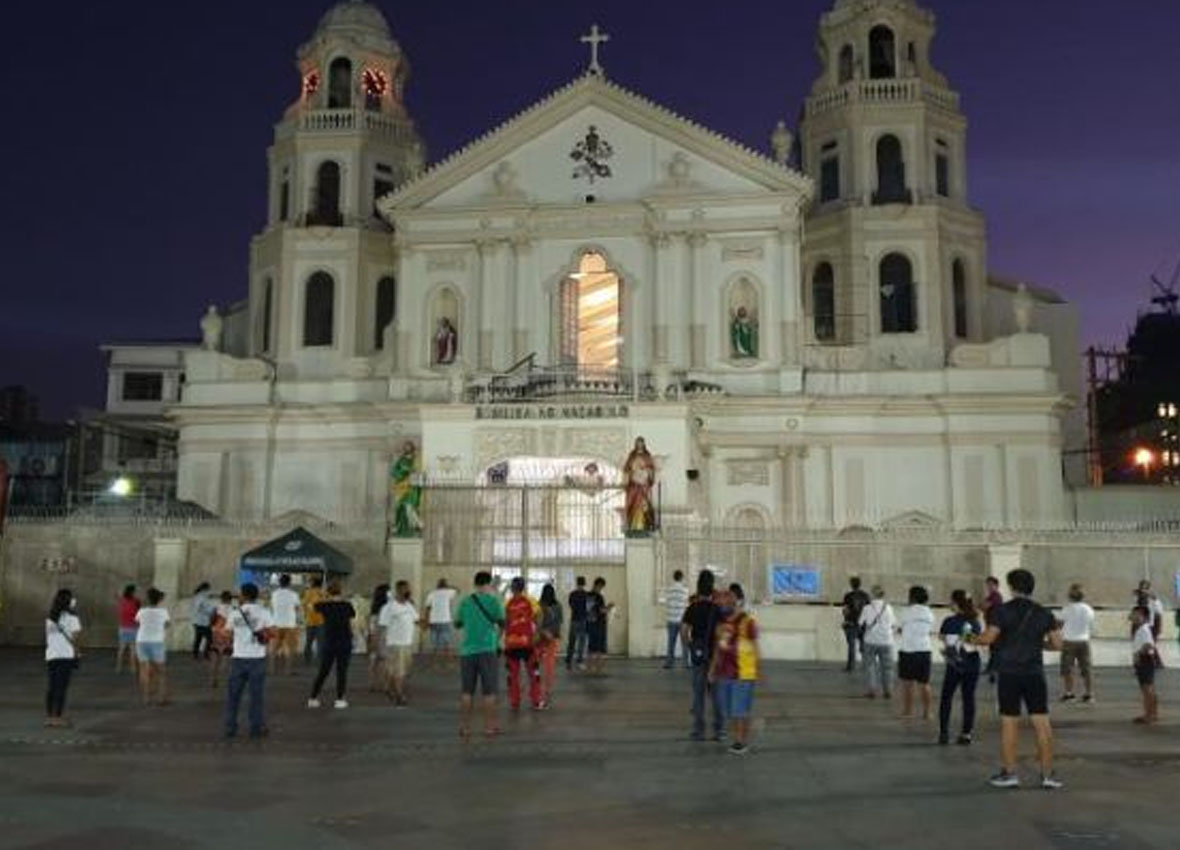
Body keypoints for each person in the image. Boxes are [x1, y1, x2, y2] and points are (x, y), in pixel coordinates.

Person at [969, 568, 1064, 790]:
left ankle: (1010, 773)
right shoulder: (1044, 613)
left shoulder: (1002, 611)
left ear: (1012, 587)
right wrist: (1039, 644)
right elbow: (1058, 644)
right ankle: (1048, 774)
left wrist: (970, 638)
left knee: (1009, 724)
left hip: (1010, 673)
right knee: (1042, 724)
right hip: (1034, 673)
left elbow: (988, 638)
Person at [454, 571, 506, 739]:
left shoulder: (466, 602)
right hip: (487, 651)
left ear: (475, 584)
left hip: (467, 651)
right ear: (489, 584)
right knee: (489, 692)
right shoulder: (493, 601)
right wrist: (496, 639)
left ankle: (464, 727)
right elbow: (502, 623)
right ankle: (489, 727)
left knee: (466, 692)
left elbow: (457, 623)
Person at [710, 585, 760, 754]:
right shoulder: (722, 624)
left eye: (728, 598)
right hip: (725, 672)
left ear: (736, 601)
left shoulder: (748, 621)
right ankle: (738, 737)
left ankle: (741, 741)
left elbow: (755, 647)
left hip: (743, 673)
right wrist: (713, 669)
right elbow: (718, 647)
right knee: (730, 709)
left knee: (739, 709)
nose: (723, 603)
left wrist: (757, 669)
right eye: (722, 600)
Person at [224, 583, 274, 739]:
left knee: (233, 696)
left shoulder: (234, 614)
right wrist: (260, 633)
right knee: (256, 696)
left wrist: (237, 638)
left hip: (238, 658)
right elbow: (273, 632)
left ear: (244, 596)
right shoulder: (264, 612)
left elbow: (227, 633)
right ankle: (255, 728)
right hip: (257, 658)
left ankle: (230, 728)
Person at [681, 569, 725, 741]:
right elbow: (722, 637)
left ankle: (699, 731)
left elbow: (684, 631)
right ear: (711, 587)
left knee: (698, 696)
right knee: (717, 696)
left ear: (698, 587)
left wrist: (690, 646)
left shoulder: (692, 608)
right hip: (715, 658)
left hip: (698, 658)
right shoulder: (717, 610)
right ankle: (719, 731)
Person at [938, 589, 982, 745]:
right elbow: (975, 641)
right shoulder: (975, 621)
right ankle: (966, 733)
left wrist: (950, 645)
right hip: (972, 662)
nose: (950, 604)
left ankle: (944, 733)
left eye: (951, 601)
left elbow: (942, 638)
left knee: (946, 697)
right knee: (968, 698)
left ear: (956, 604)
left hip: (954, 664)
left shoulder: (949, 621)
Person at [307, 581, 356, 709]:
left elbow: (311, 606)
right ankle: (340, 699)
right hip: (345, 640)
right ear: (341, 591)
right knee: (342, 671)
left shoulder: (323, 605)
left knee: (323, 670)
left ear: (328, 592)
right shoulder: (347, 605)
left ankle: (313, 697)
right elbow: (352, 620)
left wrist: (323, 596)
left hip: (329, 640)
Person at [504, 577, 543, 711]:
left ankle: (515, 702)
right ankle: (536, 701)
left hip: (511, 645)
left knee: (513, 675)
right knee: (534, 674)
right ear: (523, 587)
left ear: (512, 588)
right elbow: (539, 616)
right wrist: (537, 633)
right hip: (528, 644)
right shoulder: (530, 601)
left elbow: (505, 623)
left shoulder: (507, 603)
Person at [45, 588, 81, 728]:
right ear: (69, 601)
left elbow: (49, 637)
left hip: (51, 655)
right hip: (65, 655)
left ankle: (49, 716)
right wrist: (78, 652)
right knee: (62, 687)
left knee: (52, 687)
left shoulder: (50, 618)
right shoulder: (73, 618)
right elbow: (76, 638)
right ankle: (57, 717)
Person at [897, 585, 935, 720]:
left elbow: (899, 629)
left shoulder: (906, 612)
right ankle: (927, 712)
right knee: (925, 683)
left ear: (911, 597)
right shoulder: (929, 613)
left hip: (908, 650)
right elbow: (929, 629)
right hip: (924, 650)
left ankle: (908, 712)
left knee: (908, 683)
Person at [379, 580, 418, 707]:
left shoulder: (409, 606)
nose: (408, 592)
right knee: (399, 671)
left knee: (402, 670)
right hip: (395, 644)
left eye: (408, 589)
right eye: (405, 589)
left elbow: (416, 620)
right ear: (399, 591)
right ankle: (400, 695)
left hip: (407, 643)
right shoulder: (389, 607)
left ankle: (390, 688)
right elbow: (383, 626)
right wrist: (379, 645)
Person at [1059, 583, 1095, 704]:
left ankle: (1069, 693)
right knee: (1086, 669)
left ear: (1070, 595)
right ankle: (1089, 694)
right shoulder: (1088, 609)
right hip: (1084, 640)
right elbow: (1090, 623)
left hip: (1069, 640)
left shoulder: (1067, 608)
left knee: (1067, 669)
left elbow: (1060, 623)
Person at [135, 588, 170, 706]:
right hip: (157, 641)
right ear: (159, 600)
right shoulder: (163, 612)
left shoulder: (141, 611)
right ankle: (161, 698)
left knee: (144, 670)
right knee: (161, 671)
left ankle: (146, 698)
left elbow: (138, 623)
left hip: (142, 640)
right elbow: (167, 625)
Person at [859, 585, 895, 699]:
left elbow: (860, 623)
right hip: (886, 641)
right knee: (887, 667)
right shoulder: (889, 608)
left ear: (873, 595)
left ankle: (872, 690)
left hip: (870, 640)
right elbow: (894, 624)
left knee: (870, 666)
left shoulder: (867, 608)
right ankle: (888, 690)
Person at [1131, 605, 1161, 724]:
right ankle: (1152, 713)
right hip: (1145, 660)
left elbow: (1149, 645)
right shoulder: (1142, 629)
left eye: (1135, 614)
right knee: (1148, 688)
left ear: (1143, 616)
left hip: (1145, 660)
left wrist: (1138, 654)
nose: (1133, 616)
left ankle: (1149, 715)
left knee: (1147, 689)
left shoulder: (1144, 629)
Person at [622, 437, 657, 534]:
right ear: (636, 444)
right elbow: (627, 469)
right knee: (633, 504)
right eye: (638, 443)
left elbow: (651, 469)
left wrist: (646, 472)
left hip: (644, 485)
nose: (640, 445)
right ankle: (632, 526)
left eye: (641, 443)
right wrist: (632, 474)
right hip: (633, 485)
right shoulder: (632, 455)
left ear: (644, 444)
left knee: (644, 504)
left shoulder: (647, 455)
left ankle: (645, 525)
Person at [268, 574, 301, 676]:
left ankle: (271, 670)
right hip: (290, 624)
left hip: (276, 623)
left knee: (273, 648)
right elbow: (297, 608)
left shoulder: (274, 594)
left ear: (279, 582)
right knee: (290, 649)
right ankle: (287, 671)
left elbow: (271, 607)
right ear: (289, 583)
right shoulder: (294, 594)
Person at [537, 583, 563, 707]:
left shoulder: (540, 605)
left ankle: (538, 687)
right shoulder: (558, 606)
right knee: (550, 664)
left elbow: (536, 623)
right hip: (554, 638)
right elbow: (559, 622)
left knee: (538, 663)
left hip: (541, 638)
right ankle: (548, 688)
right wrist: (554, 634)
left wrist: (543, 631)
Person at [424, 578, 458, 667]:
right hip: (445, 620)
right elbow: (458, 590)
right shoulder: (449, 592)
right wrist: (449, 586)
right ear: (445, 585)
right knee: (447, 643)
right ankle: (449, 663)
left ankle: (434, 662)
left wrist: (426, 621)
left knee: (435, 644)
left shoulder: (431, 594)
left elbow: (427, 608)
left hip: (434, 620)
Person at [840, 577, 870, 672]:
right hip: (863, 624)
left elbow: (845, 610)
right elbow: (868, 609)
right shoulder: (866, 595)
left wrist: (845, 620)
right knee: (863, 646)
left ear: (851, 584)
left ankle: (851, 667)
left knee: (851, 647)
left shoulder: (848, 596)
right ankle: (866, 666)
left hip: (851, 624)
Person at [663, 569, 691, 669]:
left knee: (671, 642)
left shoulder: (669, 589)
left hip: (671, 619)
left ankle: (669, 663)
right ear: (681, 578)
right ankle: (686, 663)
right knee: (685, 643)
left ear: (673, 578)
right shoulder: (685, 590)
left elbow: (667, 602)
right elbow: (687, 604)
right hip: (682, 620)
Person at [586, 577, 613, 676]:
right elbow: (602, 611)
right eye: (602, 587)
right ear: (599, 585)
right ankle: (597, 671)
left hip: (590, 624)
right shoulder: (599, 596)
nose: (602, 589)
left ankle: (589, 669)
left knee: (591, 648)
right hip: (599, 625)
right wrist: (609, 606)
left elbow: (589, 610)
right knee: (600, 649)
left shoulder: (588, 595)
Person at [209, 590, 234, 689]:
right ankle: (226, 679)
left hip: (216, 634)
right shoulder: (233, 609)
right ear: (230, 599)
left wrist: (214, 628)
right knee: (226, 657)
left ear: (221, 598)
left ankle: (213, 679)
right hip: (227, 634)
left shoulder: (216, 608)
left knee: (215, 657)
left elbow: (211, 620)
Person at [367, 583, 390, 691]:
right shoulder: (387, 609)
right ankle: (384, 683)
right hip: (385, 636)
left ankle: (373, 683)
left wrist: (371, 639)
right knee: (384, 661)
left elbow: (371, 626)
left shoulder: (374, 610)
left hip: (374, 636)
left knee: (373, 660)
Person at [115, 584, 140, 675]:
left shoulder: (122, 601)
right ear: (133, 592)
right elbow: (138, 614)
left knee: (121, 649)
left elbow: (116, 594)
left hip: (123, 628)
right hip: (133, 628)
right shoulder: (136, 601)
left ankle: (118, 667)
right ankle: (133, 668)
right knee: (133, 649)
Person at [565, 576, 589, 670]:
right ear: (584, 583)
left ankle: (568, 661)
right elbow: (588, 608)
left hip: (574, 619)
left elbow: (571, 605)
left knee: (572, 641)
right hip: (583, 620)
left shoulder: (572, 594)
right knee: (581, 642)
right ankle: (579, 662)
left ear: (577, 583)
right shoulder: (587, 595)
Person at [301, 576, 326, 665]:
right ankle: (320, 660)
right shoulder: (323, 593)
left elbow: (303, 605)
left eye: (310, 582)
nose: (309, 583)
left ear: (313, 583)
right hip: (321, 621)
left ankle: (307, 660)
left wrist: (305, 614)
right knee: (321, 642)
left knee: (309, 641)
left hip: (310, 621)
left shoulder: (308, 593)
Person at [190, 582, 215, 660]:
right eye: (209, 589)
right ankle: (205, 654)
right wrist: (211, 610)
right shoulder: (201, 597)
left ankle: (196, 654)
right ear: (205, 589)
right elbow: (201, 608)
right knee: (209, 638)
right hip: (202, 621)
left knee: (198, 638)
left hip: (197, 621)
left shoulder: (197, 596)